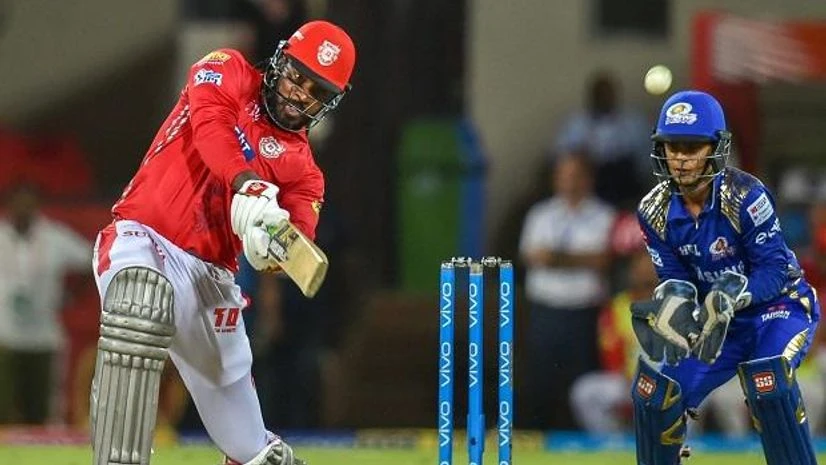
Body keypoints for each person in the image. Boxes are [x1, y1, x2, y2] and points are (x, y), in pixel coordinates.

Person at [89, 20, 355, 465]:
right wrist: (249, 185)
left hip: (212, 279)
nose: (298, 94)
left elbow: (296, 251)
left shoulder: (305, 176)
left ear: (329, 103)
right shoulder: (226, 68)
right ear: (278, 61)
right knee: (139, 300)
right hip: (143, 237)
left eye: (316, 91)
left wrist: (268, 246)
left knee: (257, 455)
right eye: (296, 75)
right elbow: (211, 126)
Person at [630, 90, 820, 464]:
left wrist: (736, 296)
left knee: (770, 384)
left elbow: (773, 269)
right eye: (672, 147)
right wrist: (674, 306)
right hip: (718, 324)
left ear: (716, 147)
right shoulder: (652, 210)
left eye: (692, 147)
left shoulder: (745, 195)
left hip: (778, 307)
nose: (681, 160)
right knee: (656, 393)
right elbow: (673, 275)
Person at [518, 152, 615, 429]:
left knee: (582, 382)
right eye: (563, 175)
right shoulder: (541, 214)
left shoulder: (604, 215)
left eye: (574, 175)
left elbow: (602, 260)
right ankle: (535, 440)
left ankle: (581, 447)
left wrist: (556, 258)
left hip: (583, 313)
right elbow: (531, 255)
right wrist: (578, 259)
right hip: (545, 312)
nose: (568, 182)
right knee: (540, 382)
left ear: (588, 179)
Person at [0, 183, 92, 424]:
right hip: (4, 336)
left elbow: (90, 260)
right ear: (9, 206)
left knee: (40, 412)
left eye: (28, 203)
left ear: (37, 206)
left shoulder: (54, 237)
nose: (23, 208)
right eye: (18, 203)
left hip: (44, 337)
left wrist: (72, 296)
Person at [570, 249, 657, 433]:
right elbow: (609, 349)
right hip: (627, 379)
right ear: (632, 272)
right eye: (641, 268)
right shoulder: (619, 305)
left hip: (670, 381)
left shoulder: (678, 303)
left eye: (651, 267)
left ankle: (686, 446)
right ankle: (611, 441)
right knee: (585, 391)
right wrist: (627, 377)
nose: (646, 272)